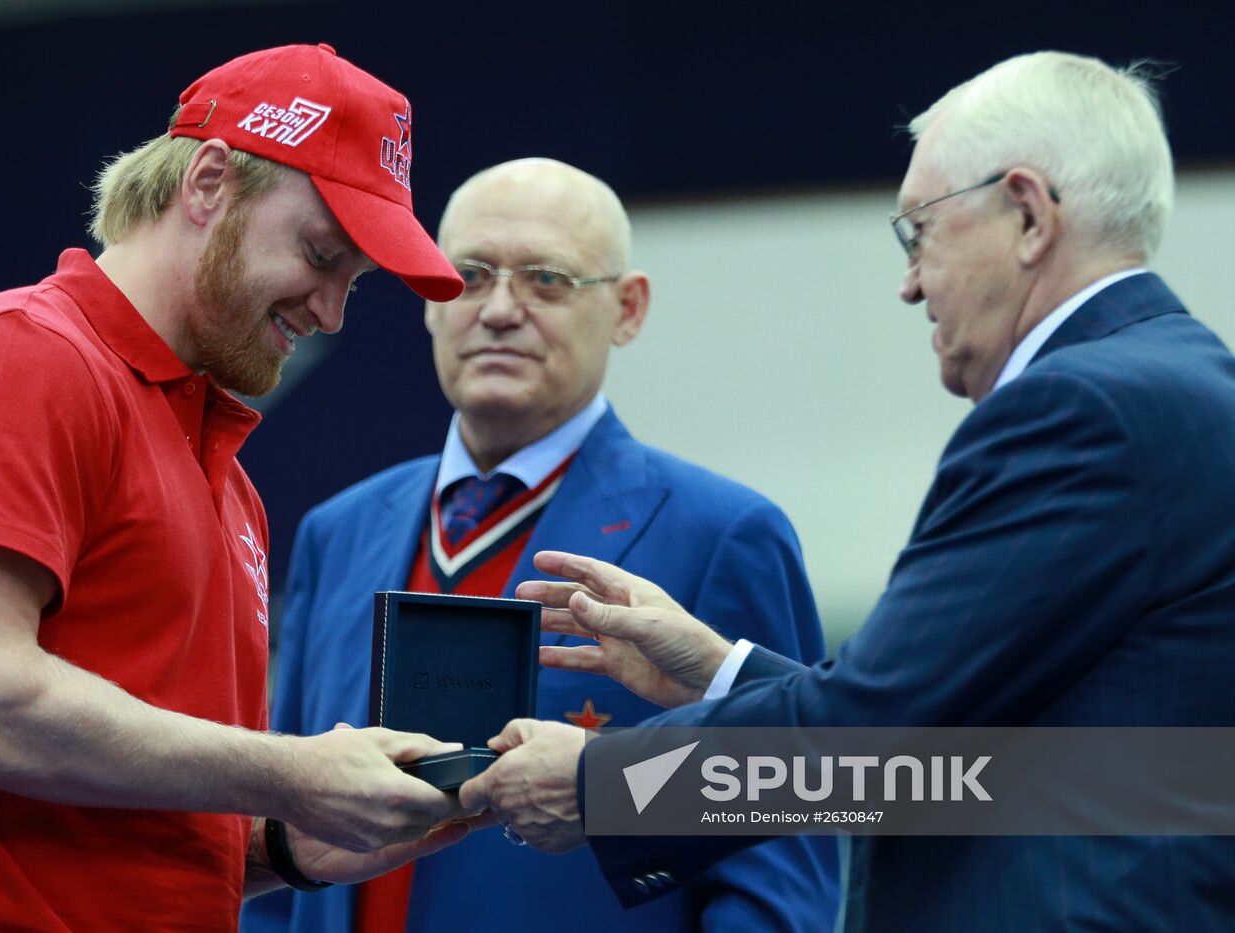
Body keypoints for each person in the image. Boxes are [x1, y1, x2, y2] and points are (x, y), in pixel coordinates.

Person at [461, 51, 1235, 930]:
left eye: (921, 232)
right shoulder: (1186, 386)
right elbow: (954, 756)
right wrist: (722, 670)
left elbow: (868, 740)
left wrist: (601, 785)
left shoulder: (1081, 409)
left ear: (1026, 212)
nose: (910, 284)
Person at [0, 44, 482, 932]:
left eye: (355, 285)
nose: (331, 311)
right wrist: (288, 770)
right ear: (209, 181)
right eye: (322, 254)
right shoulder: (18, 360)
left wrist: (289, 844)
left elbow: (137, 823)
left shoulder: (230, 485)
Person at [242, 158, 838, 933]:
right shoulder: (340, 530)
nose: (498, 310)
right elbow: (285, 833)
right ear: (428, 300)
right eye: (469, 277)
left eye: (547, 280)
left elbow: (785, 843)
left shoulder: (723, 532)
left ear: (628, 308)